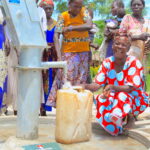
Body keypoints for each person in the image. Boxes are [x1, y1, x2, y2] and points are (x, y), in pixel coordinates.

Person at [82, 30, 149, 136]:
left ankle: (130, 117)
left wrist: (113, 87)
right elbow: (97, 85)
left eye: (123, 45)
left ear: (128, 48)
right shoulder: (107, 62)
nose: (120, 47)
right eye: (117, 43)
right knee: (101, 98)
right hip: (115, 95)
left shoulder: (134, 62)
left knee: (122, 95)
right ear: (112, 46)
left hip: (135, 98)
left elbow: (130, 88)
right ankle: (115, 125)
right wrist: (83, 86)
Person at [45, 0, 92, 107]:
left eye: (80, 7)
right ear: (69, 5)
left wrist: (71, 28)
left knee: (81, 80)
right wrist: (58, 55)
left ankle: (77, 106)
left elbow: (89, 25)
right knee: (66, 80)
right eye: (75, 6)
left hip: (83, 52)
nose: (78, 9)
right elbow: (56, 36)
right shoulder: (63, 16)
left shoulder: (84, 12)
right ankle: (65, 106)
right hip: (68, 52)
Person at [0, 9, 10, 115]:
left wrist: (7, 40)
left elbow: (5, 26)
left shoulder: (2, 9)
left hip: (1, 42)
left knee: (1, 75)